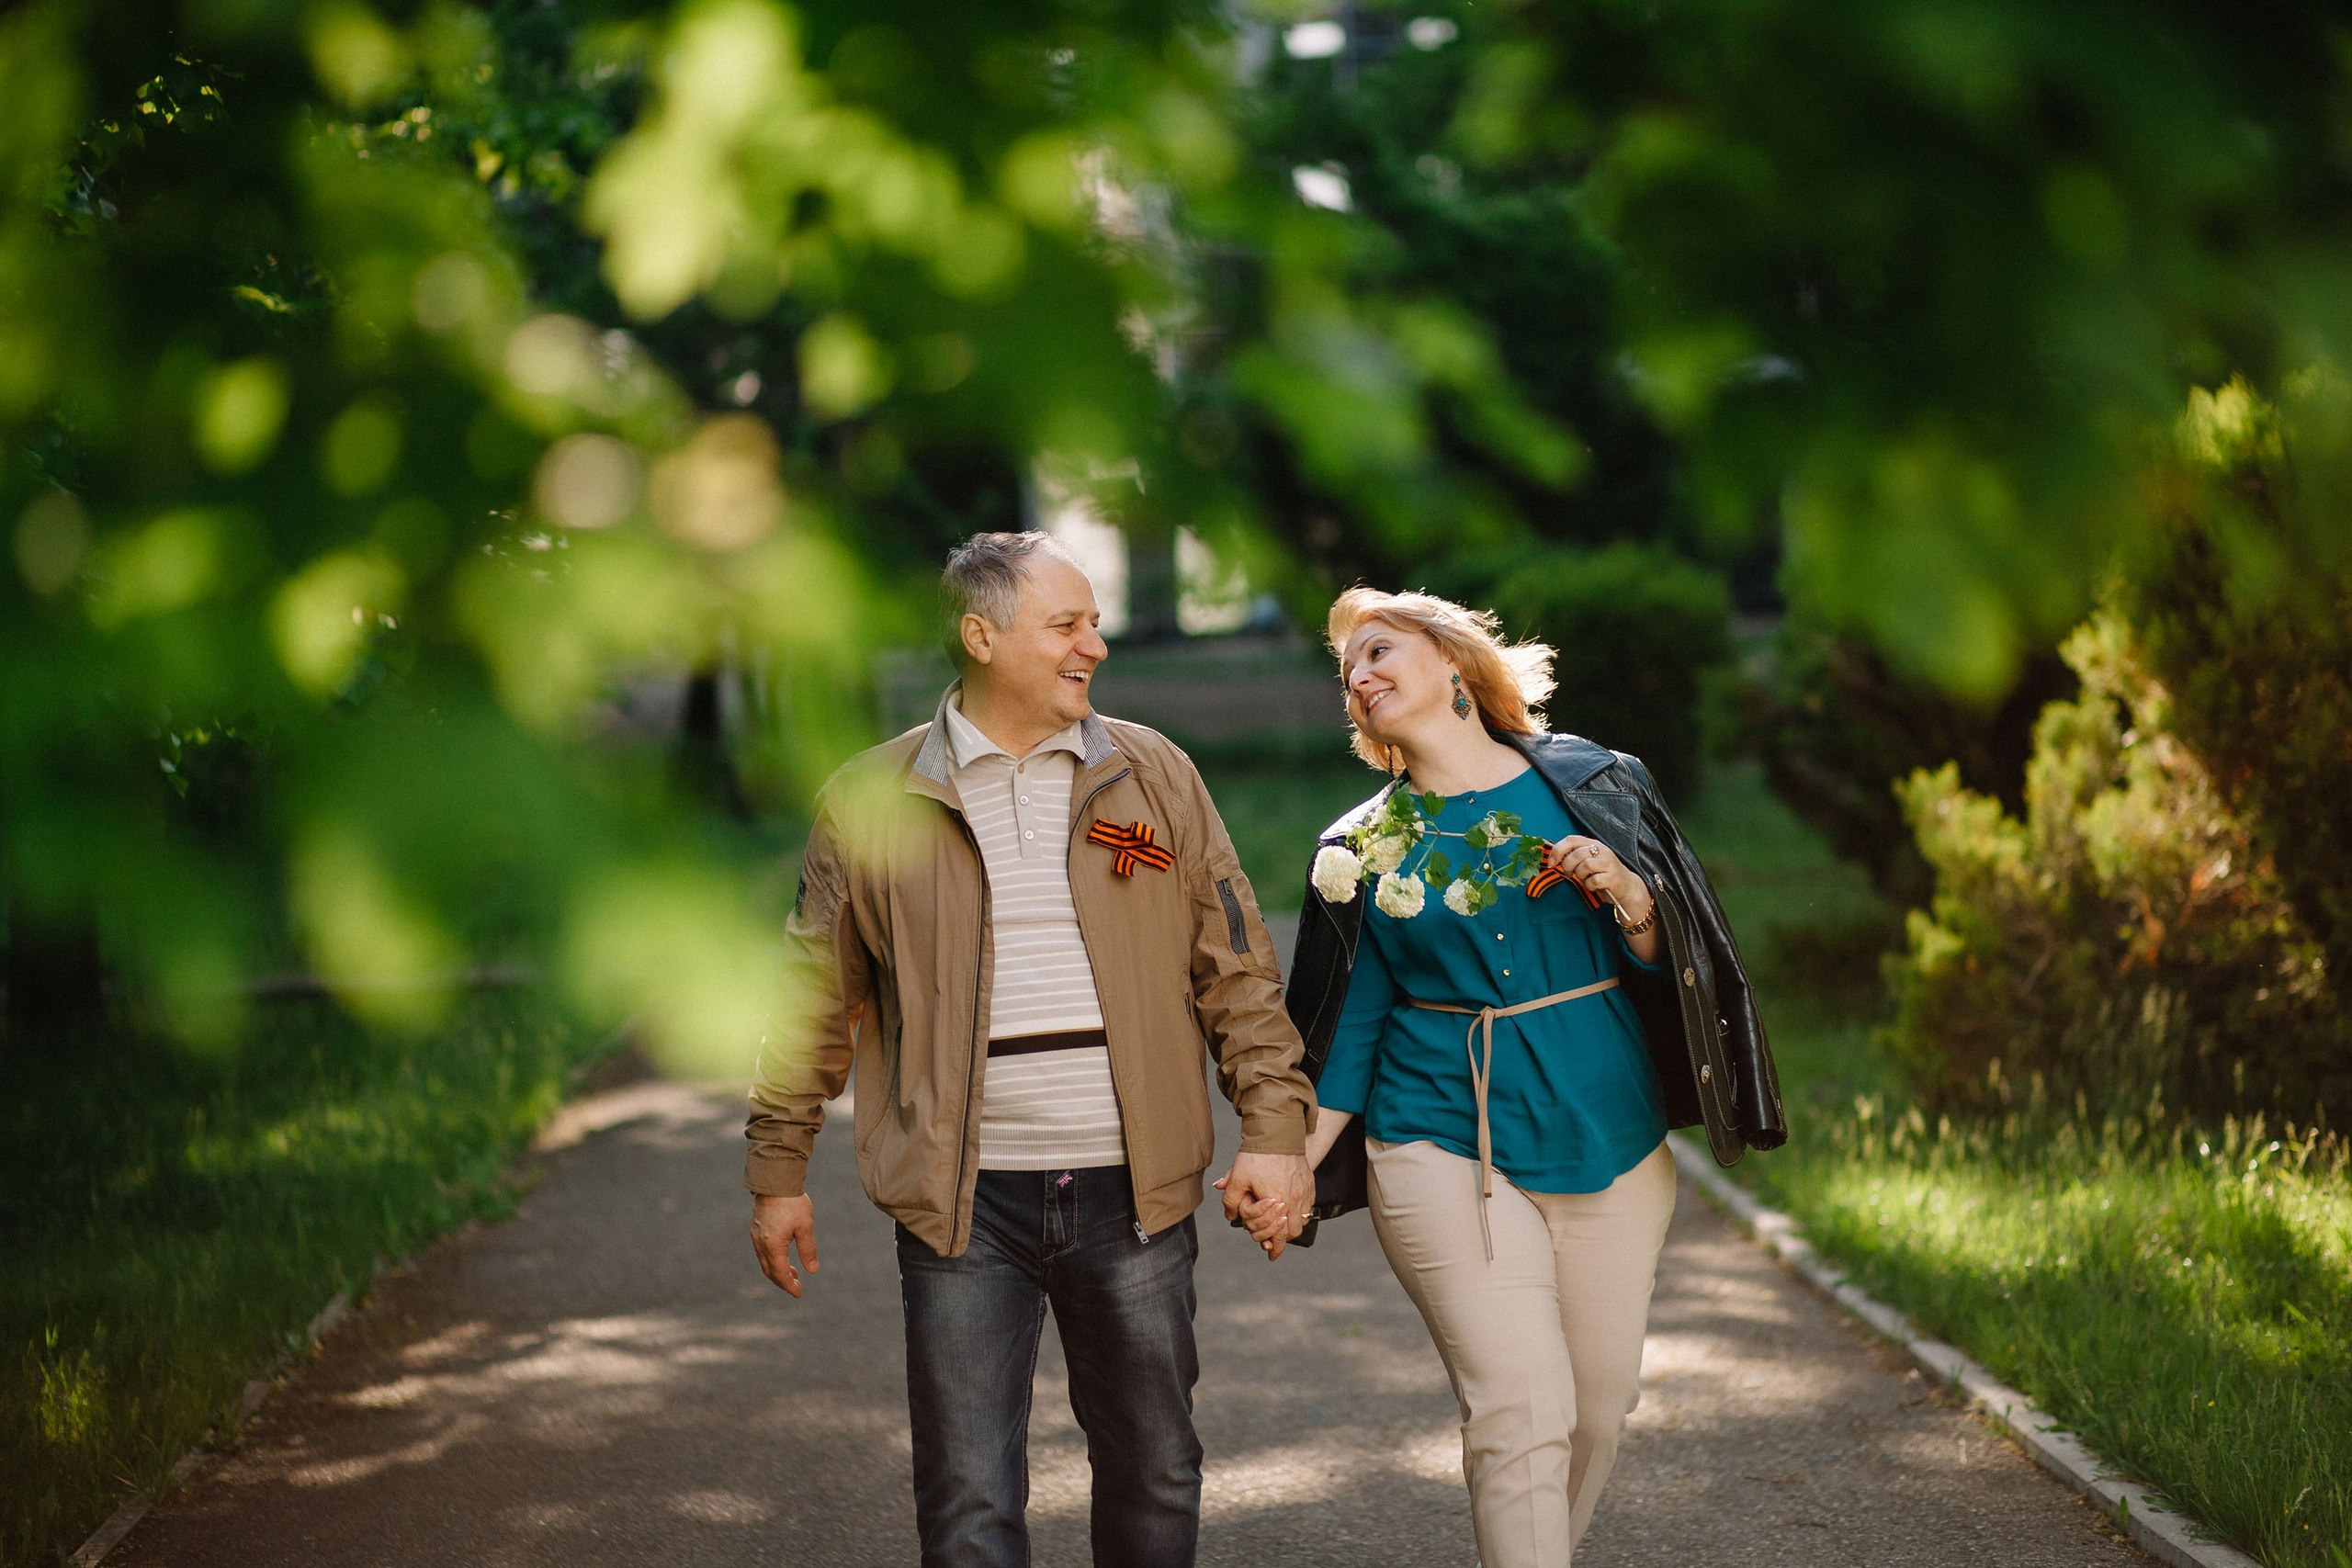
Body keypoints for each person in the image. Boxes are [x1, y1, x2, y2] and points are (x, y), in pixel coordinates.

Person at [744, 530, 1317, 1568]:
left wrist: (1275, 1133)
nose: (1095, 644)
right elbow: (815, 999)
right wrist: (777, 1168)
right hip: (962, 1204)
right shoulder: (869, 800)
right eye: (1067, 624)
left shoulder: (1152, 773)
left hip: (1133, 1191)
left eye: (1094, 621)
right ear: (981, 636)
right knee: (967, 1499)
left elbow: (1236, 969)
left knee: (1154, 1470)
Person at [1279, 587, 1785, 1568]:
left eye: (1378, 650)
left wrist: (1632, 897)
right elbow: (1354, 1021)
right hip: (1436, 1133)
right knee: (1518, 1406)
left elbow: (1680, 968)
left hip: (1609, 1131)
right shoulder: (1361, 846)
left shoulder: (1597, 782)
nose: (1358, 677)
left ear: (1453, 661)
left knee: (1595, 1408)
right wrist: (1289, 1161)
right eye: (1346, 672)